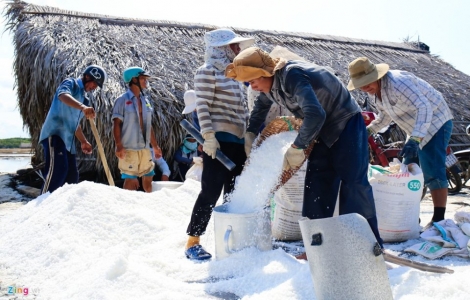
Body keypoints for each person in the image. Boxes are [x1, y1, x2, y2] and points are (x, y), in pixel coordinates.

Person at [225, 47, 384, 252]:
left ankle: (366, 247)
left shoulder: (292, 75)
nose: (252, 86)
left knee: (353, 184)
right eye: (248, 83)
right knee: (316, 186)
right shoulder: (270, 86)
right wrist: (251, 132)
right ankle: (316, 249)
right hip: (320, 129)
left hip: (346, 123)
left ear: (265, 73)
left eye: (253, 80)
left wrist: (297, 147)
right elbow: (260, 107)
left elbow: (315, 113)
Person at [347, 57, 453, 227]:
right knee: (407, 170)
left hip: (436, 122)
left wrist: (416, 139)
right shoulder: (376, 93)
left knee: (432, 169)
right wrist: (366, 132)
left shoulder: (398, 83)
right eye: (361, 83)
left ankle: (439, 219)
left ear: (376, 75)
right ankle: (410, 216)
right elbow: (384, 117)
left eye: (367, 81)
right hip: (414, 128)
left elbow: (424, 107)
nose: (365, 86)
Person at [184, 28, 254, 261]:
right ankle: (193, 241)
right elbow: (202, 105)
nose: (237, 50)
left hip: (237, 142)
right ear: (220, 48)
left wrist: (246, 138)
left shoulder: (235, 76)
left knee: (234, 193)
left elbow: (243, 110)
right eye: (233, 46)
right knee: (211, 191)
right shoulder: (206, 72)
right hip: (219, 142)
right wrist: (208, 136)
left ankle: (231, 241)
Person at [40, 65, 107, 194]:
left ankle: (63, 211)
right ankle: (41, 206)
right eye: (94, 83)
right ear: (87, 77)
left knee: (72, 178)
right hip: (55, 135)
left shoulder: (85, 99)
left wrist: (83, 141)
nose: (94, 87)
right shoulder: (71, 83)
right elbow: (62, 95)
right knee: (57, 173)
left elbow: (75, 124)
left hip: (68, 142)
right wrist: (82, 107)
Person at [112, 67, 163, 193]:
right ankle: (127, 207)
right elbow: (116, 124)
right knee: (130, 180)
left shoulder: (146, 101)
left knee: (149, 175)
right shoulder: (122, 100)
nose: (145, 81)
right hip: (129, 147)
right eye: (142, 78)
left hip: (145, 147)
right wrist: (119, 145)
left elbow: (148, 125)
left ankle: (149, 203)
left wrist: (155, 146)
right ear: (133, 80)